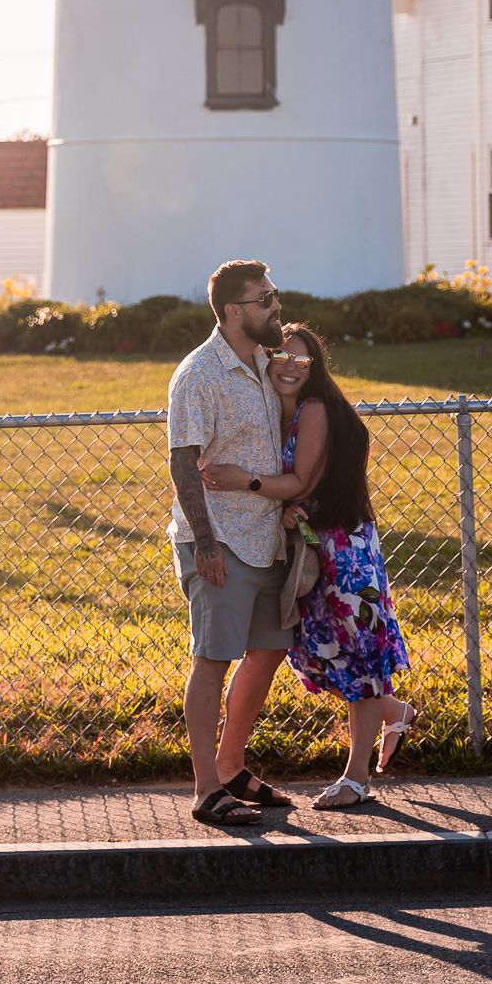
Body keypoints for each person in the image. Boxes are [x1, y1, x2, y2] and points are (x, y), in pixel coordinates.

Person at [202, 321, 412, 809]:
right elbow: (309, 485)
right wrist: (297, 509)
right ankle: (394, 712)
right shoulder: (286, 412)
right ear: (266, 361)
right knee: (322, 652)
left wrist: (242, 481)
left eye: (302, 359)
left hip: (345, 552)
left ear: (315, 367)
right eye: (282, 357)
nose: (291, 366)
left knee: (355, 656)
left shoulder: (315, 409)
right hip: (321, 544)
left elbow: (298, 480)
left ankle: (357, 778)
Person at [167, 257, 295, 828]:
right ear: (234, 311)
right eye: (265, 299)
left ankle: (232, 766)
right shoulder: (199, 374)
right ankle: (205, 791)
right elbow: (183, 462)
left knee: (268, 651)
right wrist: (204, 543)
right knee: (214, 658)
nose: (276, 306)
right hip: (221, 541)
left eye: (274, 295)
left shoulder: (271, 363)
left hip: (270, 538)